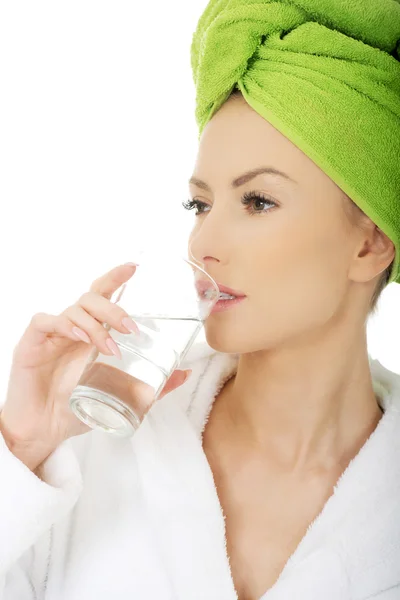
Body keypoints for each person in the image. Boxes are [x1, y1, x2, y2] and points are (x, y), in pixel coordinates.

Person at [1, 1, 400, 599]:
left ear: (370, 244)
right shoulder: (88, 449)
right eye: (200, 204)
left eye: (258, 201)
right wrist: (21, 445)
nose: (202, 243)